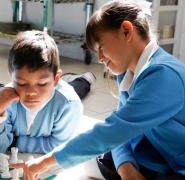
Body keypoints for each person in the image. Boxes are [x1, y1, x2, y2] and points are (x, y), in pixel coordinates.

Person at [10, 1, 185, 180]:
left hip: (177, 163)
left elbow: (114, 130)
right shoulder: (129, 74)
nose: (100, 58)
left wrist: (45, 161)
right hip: (163, 155)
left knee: (93, 150)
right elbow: (120, 131)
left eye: (101, 48)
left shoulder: (162, 74)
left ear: (126, 31)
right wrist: (127, 169)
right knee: (91, 158)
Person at [0, 30, 86, 159]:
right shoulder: (6, 100)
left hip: (62, 93)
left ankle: (84, 79)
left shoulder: (69, 104)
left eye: (42, 83)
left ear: (56, 79)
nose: (31, 93)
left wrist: (13, 142)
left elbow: (60, 146)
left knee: (78, 89)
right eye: (21, 83)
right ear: (11, 78)